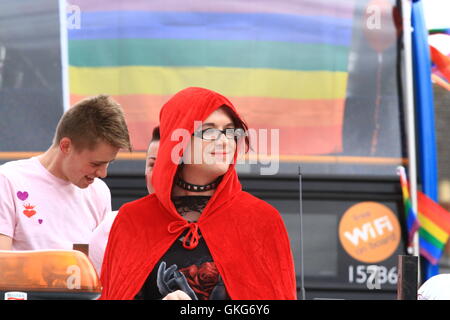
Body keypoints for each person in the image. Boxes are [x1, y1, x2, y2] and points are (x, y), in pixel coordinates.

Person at [100, 87, 297, 300]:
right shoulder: (134, 218)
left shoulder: (260, 219)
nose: (223, 141)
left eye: (230, 131)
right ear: (178, 140)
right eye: (209, 131)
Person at [0, 95, 131, 250]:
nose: (103, 174)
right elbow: (3, 265)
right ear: (66, 146)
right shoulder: (8, 181)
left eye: (109, 163)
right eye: (95, 164)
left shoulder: (99, 192)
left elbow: (99, 266)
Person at [88, 126, 160, 275]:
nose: (159, 173)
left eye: (167, 164)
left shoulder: (211, 226)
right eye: (152, 164)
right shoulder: (113, 226)